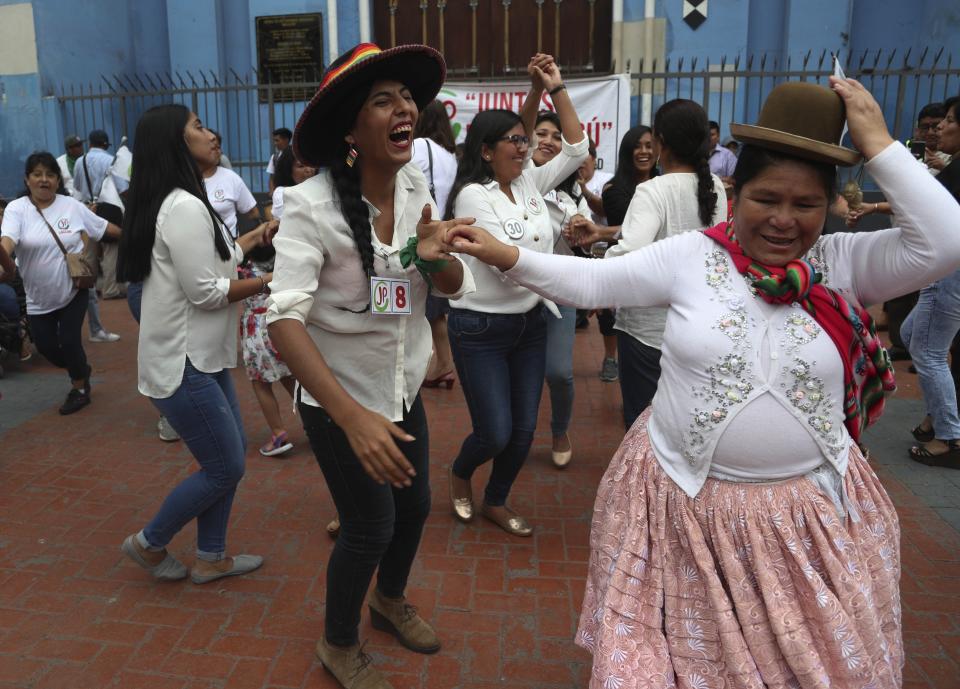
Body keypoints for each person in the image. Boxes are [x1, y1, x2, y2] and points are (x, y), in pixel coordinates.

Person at [448, 77, 960, 689]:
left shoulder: (840, 263)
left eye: (806, 205)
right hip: (684, 514)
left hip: (805, 528)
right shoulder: (693, 255)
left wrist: (876, 142)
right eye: (766, 199)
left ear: (830, 208)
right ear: (733, 193)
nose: (783, 220)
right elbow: (592, 286)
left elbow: (946, 239)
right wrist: (501, 255)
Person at [266, 43, 475, 688]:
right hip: (340, 401)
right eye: (382, 100)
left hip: (403, 384)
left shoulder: (417, 187)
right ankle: (337, 641)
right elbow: (283, 322)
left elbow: (447, 283)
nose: (404, 107)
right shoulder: (308, 206)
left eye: (407, 97)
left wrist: (436, 256)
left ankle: (388, 600)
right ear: (352, 128)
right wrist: (351, 417)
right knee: (367, 526)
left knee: (414, 510)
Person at [116, 104, 271, 586]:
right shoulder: (182, 206)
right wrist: (272, 280)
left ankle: (211, 556)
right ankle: (148, 543)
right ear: (176, 143)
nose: (210, 133)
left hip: (201, 358)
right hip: (185, 363)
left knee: (225, 460)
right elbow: (207, 292)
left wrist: (256, 237)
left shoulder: (183, 198)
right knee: (226, 466)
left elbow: (217, 262)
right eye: (198, 126)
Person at [444, 53, 587, 536]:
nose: (526, 149)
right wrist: (567, 280)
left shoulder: (528, 179)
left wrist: (552, 87)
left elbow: (575, 146)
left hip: (529, 324)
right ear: (487, 151)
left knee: (524, 431)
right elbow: (505, 265)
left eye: (527, 142)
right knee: (494, 432)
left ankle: (496, 499)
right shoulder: (472, 196)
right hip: (480, 328)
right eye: (515, 143)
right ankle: (461, 472)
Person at [574, 101, 726, 429]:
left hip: (648, 333)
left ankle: (645, 482)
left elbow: (629, 252)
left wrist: (593, 288)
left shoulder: (652, 190)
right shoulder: (714, 187)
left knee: (644, 427)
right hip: (701, 326)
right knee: (689, 423)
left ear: (660, 142)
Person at [0, 152, 121, 414]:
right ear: (27, 179)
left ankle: (79, 388)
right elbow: (7, 240)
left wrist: (136, 236)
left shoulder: (70, 205)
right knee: (46, 347)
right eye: (37, 174)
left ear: (57, 180)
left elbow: (103, 228)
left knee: (69, 341)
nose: (44, 180)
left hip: (73, 289)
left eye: (50, 175)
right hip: (37, 298)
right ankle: (81, 369)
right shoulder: (17, 209)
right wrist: (3, 255)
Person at [530, 109, 591, 467]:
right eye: (541, 133)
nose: (549, 141)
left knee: (558, 371)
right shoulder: (517, 183)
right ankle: (514, 435)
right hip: (517, 293)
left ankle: (559, 429)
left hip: (560, 290)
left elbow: (588, 241)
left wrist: (581, 230)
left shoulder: (574, 193)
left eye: (556, 136)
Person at [902, 95, 960, 467]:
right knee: (912, 336)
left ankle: (949, 437)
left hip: (949, 273)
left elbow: (931, 209)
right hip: (947, 271)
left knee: (929, 352)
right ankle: (937, 415)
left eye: (950, 120)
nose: (941, 126)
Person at [412, 99, 460, 389]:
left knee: (429, 309)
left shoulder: (416, 148)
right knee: (438, 308)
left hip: (422, 233)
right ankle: (442, 362)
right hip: (445, 233)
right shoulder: (449, 155)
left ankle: (443, 362)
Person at [200, 130, 261, 238]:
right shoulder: (185, 179)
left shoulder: (230, 178)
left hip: (229, 248)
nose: (217, 151)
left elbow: (253, 212)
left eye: (218, 147)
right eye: (211, 147)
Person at [270, 148, 319, 220]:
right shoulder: (282, 193)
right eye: (301, 166)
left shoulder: (319, 189)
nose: (309, 170)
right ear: (288, 170)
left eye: (311, 164)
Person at [708, 119, 738, 189]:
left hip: (721, 194)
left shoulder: (728, 155)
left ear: (718, 136)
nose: (708, 138)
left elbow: (733, 179)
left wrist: (715, 179)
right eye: (706, 135)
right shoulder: (697, 153)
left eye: (712, 135)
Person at [56, 135, 85, 201]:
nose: (81, 147)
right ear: (69, 149)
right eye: (78, 145)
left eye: (81, 144)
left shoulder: (88, 160)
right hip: (69, 202)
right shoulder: (59, 162)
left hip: (88, 203)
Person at [266, 126, 292, 192]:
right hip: (279, 194)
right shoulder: (274, 157)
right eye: (274, 141)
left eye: (277, 140)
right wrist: (272, 191)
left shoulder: (295, 155)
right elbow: (272, 177)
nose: (275, 143)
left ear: (286, 140)